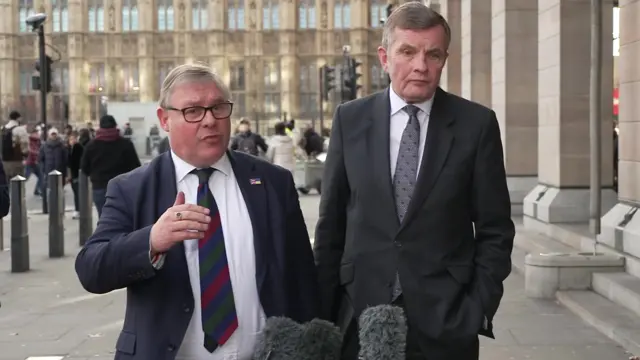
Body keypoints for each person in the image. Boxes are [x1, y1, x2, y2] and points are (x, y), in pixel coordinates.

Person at [75, 63, 319, 360]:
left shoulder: (272, 182)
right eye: (193, 111)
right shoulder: (132, 189)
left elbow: (304, 278)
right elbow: (91, 268)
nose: (210, 121)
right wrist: (151, 241)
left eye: (218, 107)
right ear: (164, 119)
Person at [313, 3, 515, 360]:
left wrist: (477, 309)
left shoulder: (476, 125)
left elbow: (495, 229)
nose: (421, 65)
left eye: (432, 54)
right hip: (360, 317)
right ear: (384, 57)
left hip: (446, 322)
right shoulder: (350, 120)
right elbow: (331, 226)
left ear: (444, 59)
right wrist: (325, 314)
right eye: (407, 51)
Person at [80, 114, 141, 217]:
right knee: (123, 219)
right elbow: (136, 167)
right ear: (115, 126)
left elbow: (84, 168)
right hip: (123, 188)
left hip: (99, 187)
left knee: (104, 218)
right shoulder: (125, 144)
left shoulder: (92, 146)